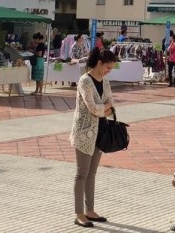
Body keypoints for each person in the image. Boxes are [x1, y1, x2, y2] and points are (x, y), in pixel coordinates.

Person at [70, 47, 118, 228]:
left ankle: (90, 210)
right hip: (84, 133)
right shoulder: (85, 81)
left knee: (92, 173)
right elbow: (92, 108)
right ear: (99, 63)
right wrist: (103, 108)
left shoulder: (105, 82)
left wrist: (104, 108)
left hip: (100, 132)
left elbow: (111, 105)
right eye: (108, 67)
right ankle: (79, 213)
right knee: (81, 173)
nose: (109, 71)